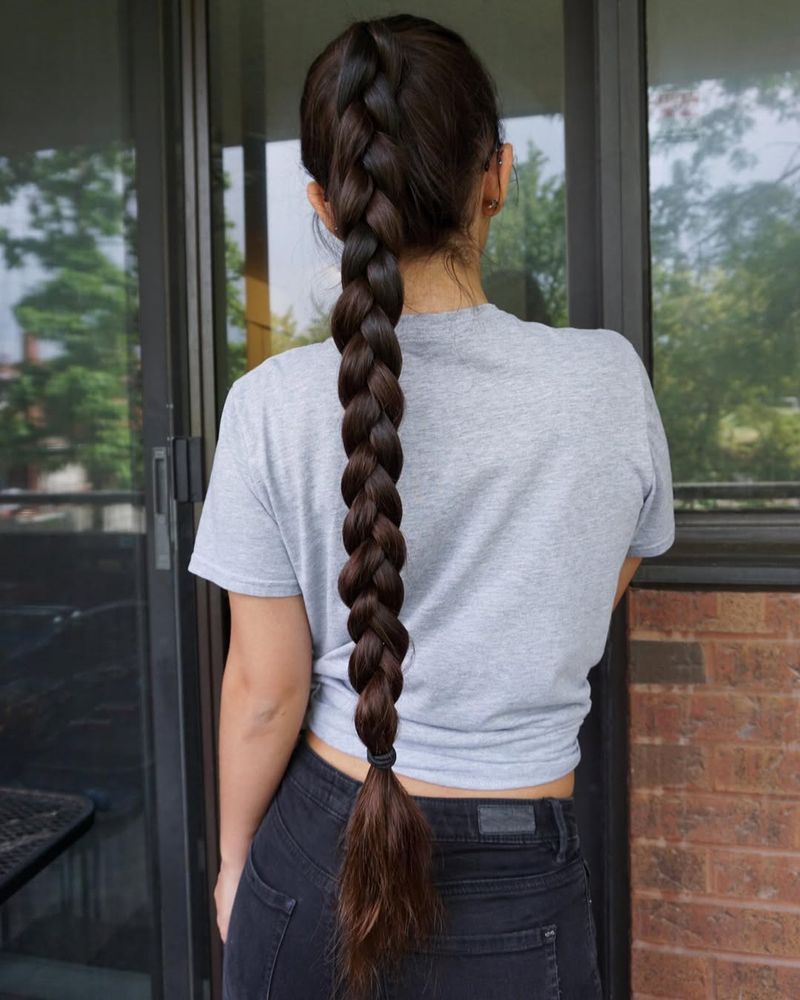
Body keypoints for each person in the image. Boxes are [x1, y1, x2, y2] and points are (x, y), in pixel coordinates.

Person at [187, 13, 675, 1000]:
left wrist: (235, 864)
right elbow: (586, 596)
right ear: (494, 174)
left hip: (313, 854)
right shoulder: (604, 382)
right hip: (513, 872)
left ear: (326, 202)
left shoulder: (270, 403)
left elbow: (264, 688)